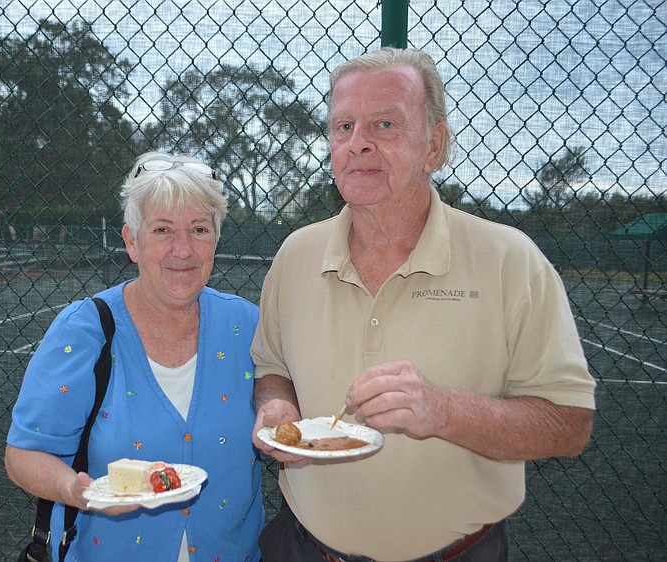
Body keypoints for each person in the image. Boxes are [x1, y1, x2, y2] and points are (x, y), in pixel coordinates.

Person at [251, 48, 596, 562]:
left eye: (384, 124)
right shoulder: (296, 255)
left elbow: (570, 424)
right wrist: (276, 406)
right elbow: (272, 366)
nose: (357, 144)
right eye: (343, 126)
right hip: (304, 549)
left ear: (434, 145)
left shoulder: (509, 259)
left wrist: (444, 410)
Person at [5, 152, 265, 561]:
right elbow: (23, 455)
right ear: (131, 241)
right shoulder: (85, 332)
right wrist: (75, 490)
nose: (183, 250)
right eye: (163, 230)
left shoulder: (247, 325)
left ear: (216, 239)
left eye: (199, 229)